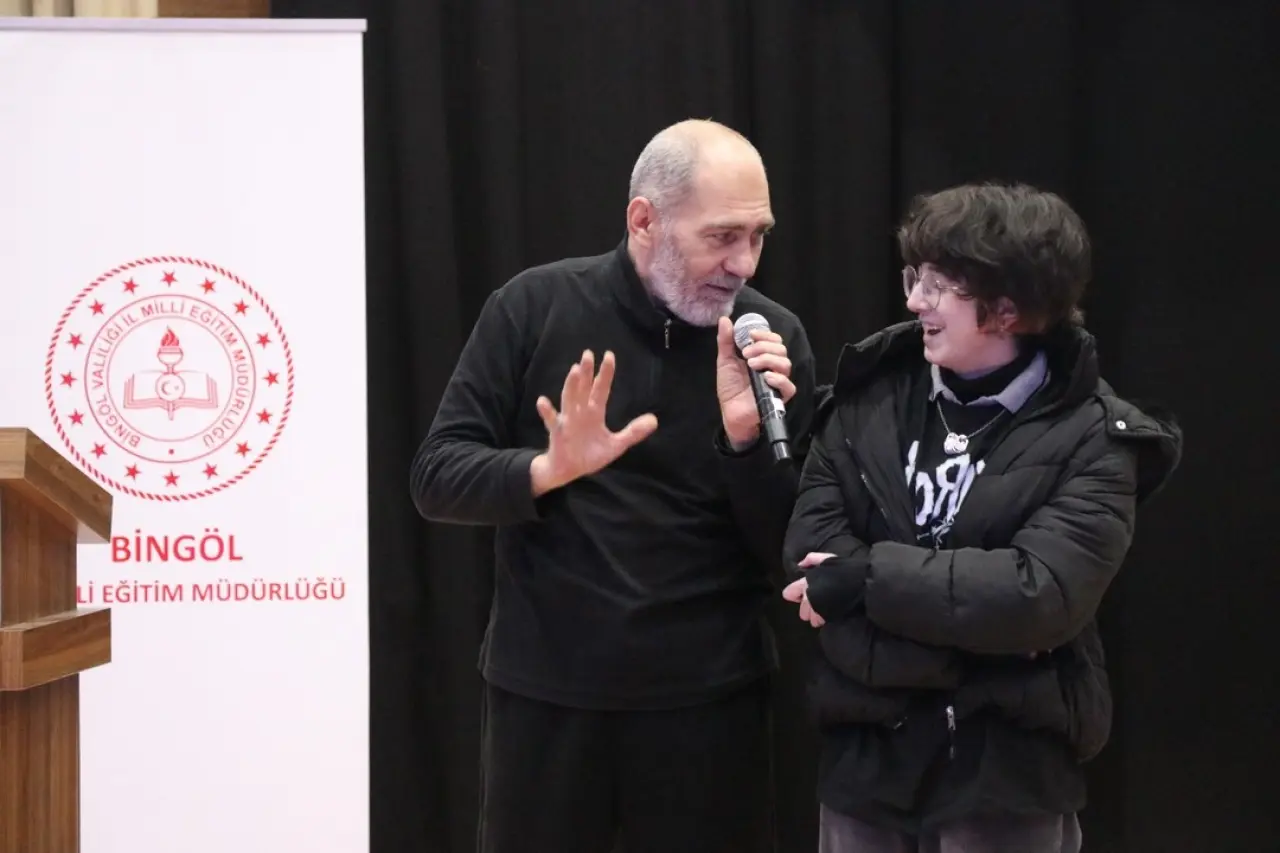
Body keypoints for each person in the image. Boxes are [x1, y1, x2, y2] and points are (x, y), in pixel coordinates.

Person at [410, 119, 817, 853]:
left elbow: (790, 549)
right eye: (722, 237)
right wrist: (546, 469)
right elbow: (436, 476)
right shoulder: (533, 307)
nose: (744, 264)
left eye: (758, 236)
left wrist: (745, 440)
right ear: (643, 220)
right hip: (549, 697)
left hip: (711, 702)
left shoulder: (768, 337)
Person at [780, 182, 1182, 853]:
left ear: (1007, 309)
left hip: (1007, 776)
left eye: (939, 284)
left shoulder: (1097, 438)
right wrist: (969, 632)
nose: (915, 300)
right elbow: (812, 561)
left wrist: (867, 579)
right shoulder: (862, 401)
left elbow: (1037, 597)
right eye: (914, 276)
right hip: (864, 766)